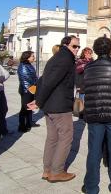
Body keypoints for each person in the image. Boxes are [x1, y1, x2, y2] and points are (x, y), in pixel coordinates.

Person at [81, 37, 111, 194]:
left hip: (95, 113)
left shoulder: (88, 67)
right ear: (110, 49)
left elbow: (85, 88)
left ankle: (90, 186)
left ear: (95, 50)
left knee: (94, 150)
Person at [32, 35, 80, 183]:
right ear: (65, 45)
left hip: (51, 105)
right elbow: (48, 82)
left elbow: (43, 79)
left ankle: (47, 170)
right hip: (59, 106)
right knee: (66, 137)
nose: (77, 49)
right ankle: (57, 171)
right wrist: (38, 102)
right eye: (74, 46)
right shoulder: (64, 59)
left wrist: (38, 100)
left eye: (78, 46)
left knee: (52, 138)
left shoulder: (58, 57)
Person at [17, 51, 37, 133]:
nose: (34, 57)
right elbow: (26, 79)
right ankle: (22, 126)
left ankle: (28, 123)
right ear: (27, 57)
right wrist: (32, 89)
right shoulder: (23, 66)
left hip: (32, 89)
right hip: (26, 90)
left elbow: (34, 77)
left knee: (30, 107)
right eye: (32, 56)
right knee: (25, 108)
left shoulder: (29, 65)